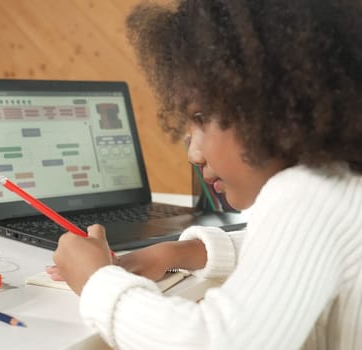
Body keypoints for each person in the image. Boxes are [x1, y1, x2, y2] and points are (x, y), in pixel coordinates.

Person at [49, 0, 362, 349]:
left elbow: (215, 341)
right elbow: (295, 252)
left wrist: (96, 281)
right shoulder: (339, 186)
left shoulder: (306, 195)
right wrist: (182, 252)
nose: (193, 153)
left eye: (200, 118)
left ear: (268, 108)